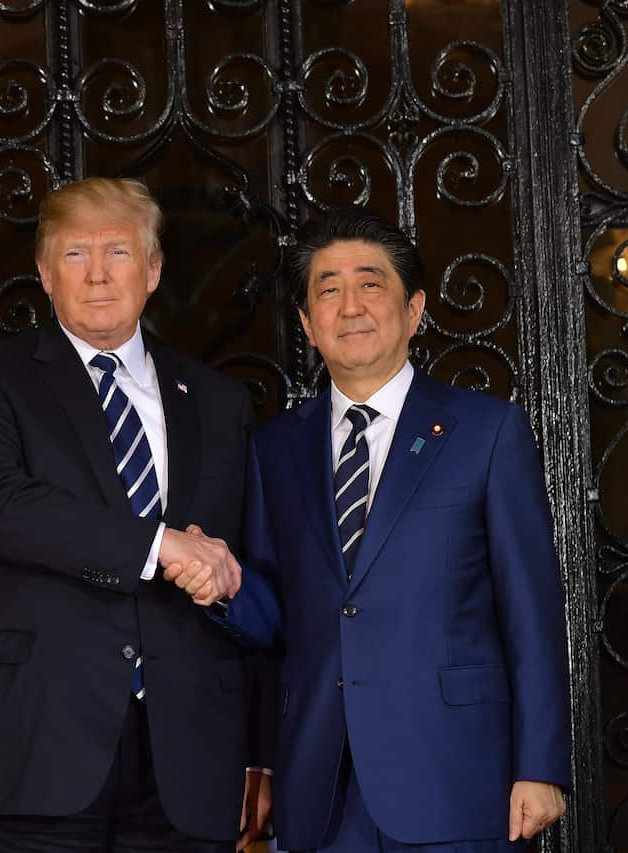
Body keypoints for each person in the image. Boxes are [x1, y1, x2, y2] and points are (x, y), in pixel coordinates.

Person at [170, 206, 571, 851]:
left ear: (414, 310)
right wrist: (220, 584)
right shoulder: (276, 449)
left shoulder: (486, 432)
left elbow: (531, 610)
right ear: (306, 322)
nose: (349, 305)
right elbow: (278, 616)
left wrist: (541, 765)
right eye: (327, 289)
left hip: (454, 773)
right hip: (321, 784)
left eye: (370, 283)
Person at [0, 177, 269, 852]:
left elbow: (248, 569)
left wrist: (259, 750)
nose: (96, 275)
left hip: (188, 765)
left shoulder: (217, 400)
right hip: (36, 752)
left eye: (117, 252)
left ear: (152, 271)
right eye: (74, 254)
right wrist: (161, 545)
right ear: (44, 272)